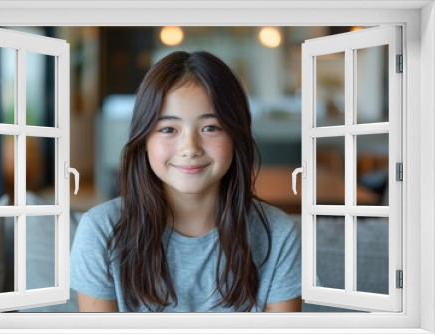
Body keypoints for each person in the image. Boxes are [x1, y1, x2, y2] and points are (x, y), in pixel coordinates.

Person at [70, 51, 302, 312]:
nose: (190, 148)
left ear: (236, 135)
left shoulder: (278, 235)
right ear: (144, 140)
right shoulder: (101, 232)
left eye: (210, 128)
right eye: (168, 129)